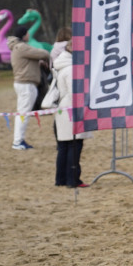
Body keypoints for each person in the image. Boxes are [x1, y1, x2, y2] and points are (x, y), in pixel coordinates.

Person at [51, 28, 88, 188]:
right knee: (74, 145)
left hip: (62, 109)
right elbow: (76, 93)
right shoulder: (72, 69)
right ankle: (73, 179)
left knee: (64, 146)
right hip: (71, 110)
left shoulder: (61, 66)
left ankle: (61, 179)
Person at [8, 24, 50, 150]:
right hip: (26, 84)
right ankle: (18, 141)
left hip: (23, 83)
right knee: (23, 113)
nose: (29, 35)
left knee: (22, 112)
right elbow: (42, 53)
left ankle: (18, 140)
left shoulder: (17, 47)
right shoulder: (22, 47)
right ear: (23, 35)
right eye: (27, 33)